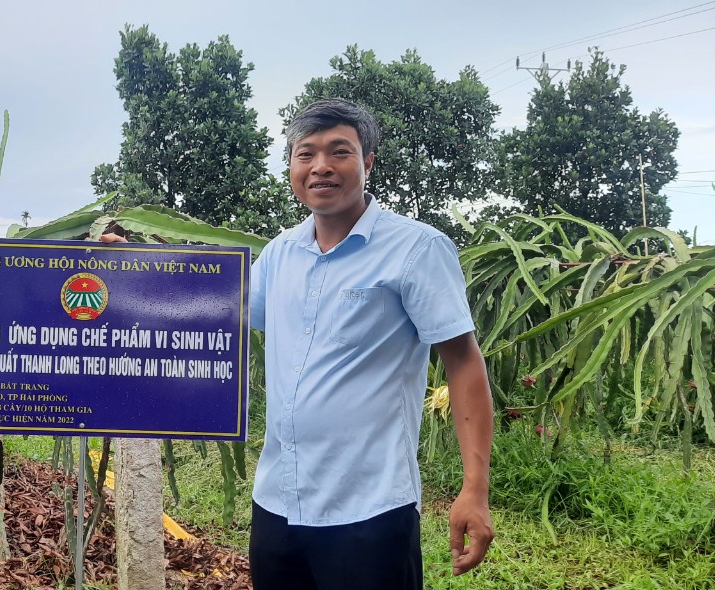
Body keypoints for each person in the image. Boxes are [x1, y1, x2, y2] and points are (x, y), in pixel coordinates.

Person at [106, 98, 494, 588]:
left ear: (367, 162)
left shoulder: (417, 249)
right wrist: (129, 272)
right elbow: (212, 309)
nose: (321, 167)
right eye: (305, 154)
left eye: (339, 152)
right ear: (291, 164)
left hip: (369, 510)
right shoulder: (280, 253)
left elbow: (463, 364)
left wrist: (474, 490)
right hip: (278, 505)